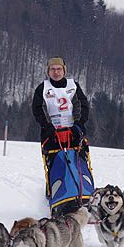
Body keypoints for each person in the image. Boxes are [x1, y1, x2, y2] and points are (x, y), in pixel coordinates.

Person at [32, 57, 91, 199]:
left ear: (64, 70)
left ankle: (84, 191)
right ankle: (56, 193)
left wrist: (79, 123)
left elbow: (82, 105)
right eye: (53, 69)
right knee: (55, 162)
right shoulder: (43, 88)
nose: (56, 72)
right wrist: (47, 126)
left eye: (59, 69)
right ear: (48, 71)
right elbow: (38, 109)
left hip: (74, 132)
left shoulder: (73, 85)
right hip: (51, 133)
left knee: (79, 160)